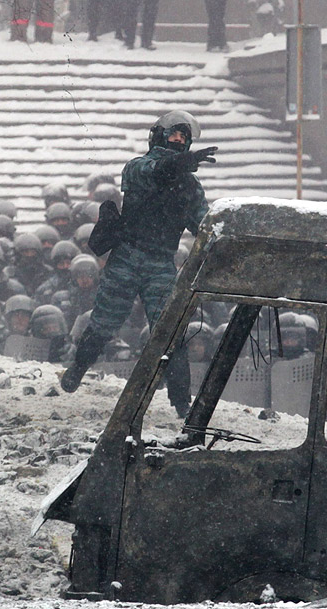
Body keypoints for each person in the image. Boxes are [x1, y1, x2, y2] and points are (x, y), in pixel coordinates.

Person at [60, 110, 217, 418]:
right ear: (158, 137)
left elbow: (202, 224)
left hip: (160, 261)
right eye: (173, 136)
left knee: (170, 331)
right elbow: (155, 172)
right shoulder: (138, 166)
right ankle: (78, 367)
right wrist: (179, 165)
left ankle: (182, 403)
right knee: (105, 321)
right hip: (128, 257)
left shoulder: (190, 186)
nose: (178, 141)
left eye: (183, 138)